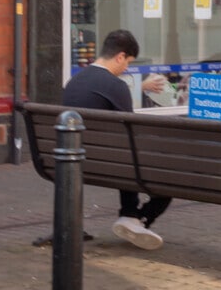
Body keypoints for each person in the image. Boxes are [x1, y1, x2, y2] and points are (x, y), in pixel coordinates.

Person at [62, 29, 171, 251]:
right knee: (166, 174)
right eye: (128, 62)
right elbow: (131, 131)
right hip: (108, 164)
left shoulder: (74, 81)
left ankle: (130, 214)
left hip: (69, 158)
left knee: (122, 155)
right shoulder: (116, 85)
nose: (126, 68)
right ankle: (137, 219)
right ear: (120, 56)